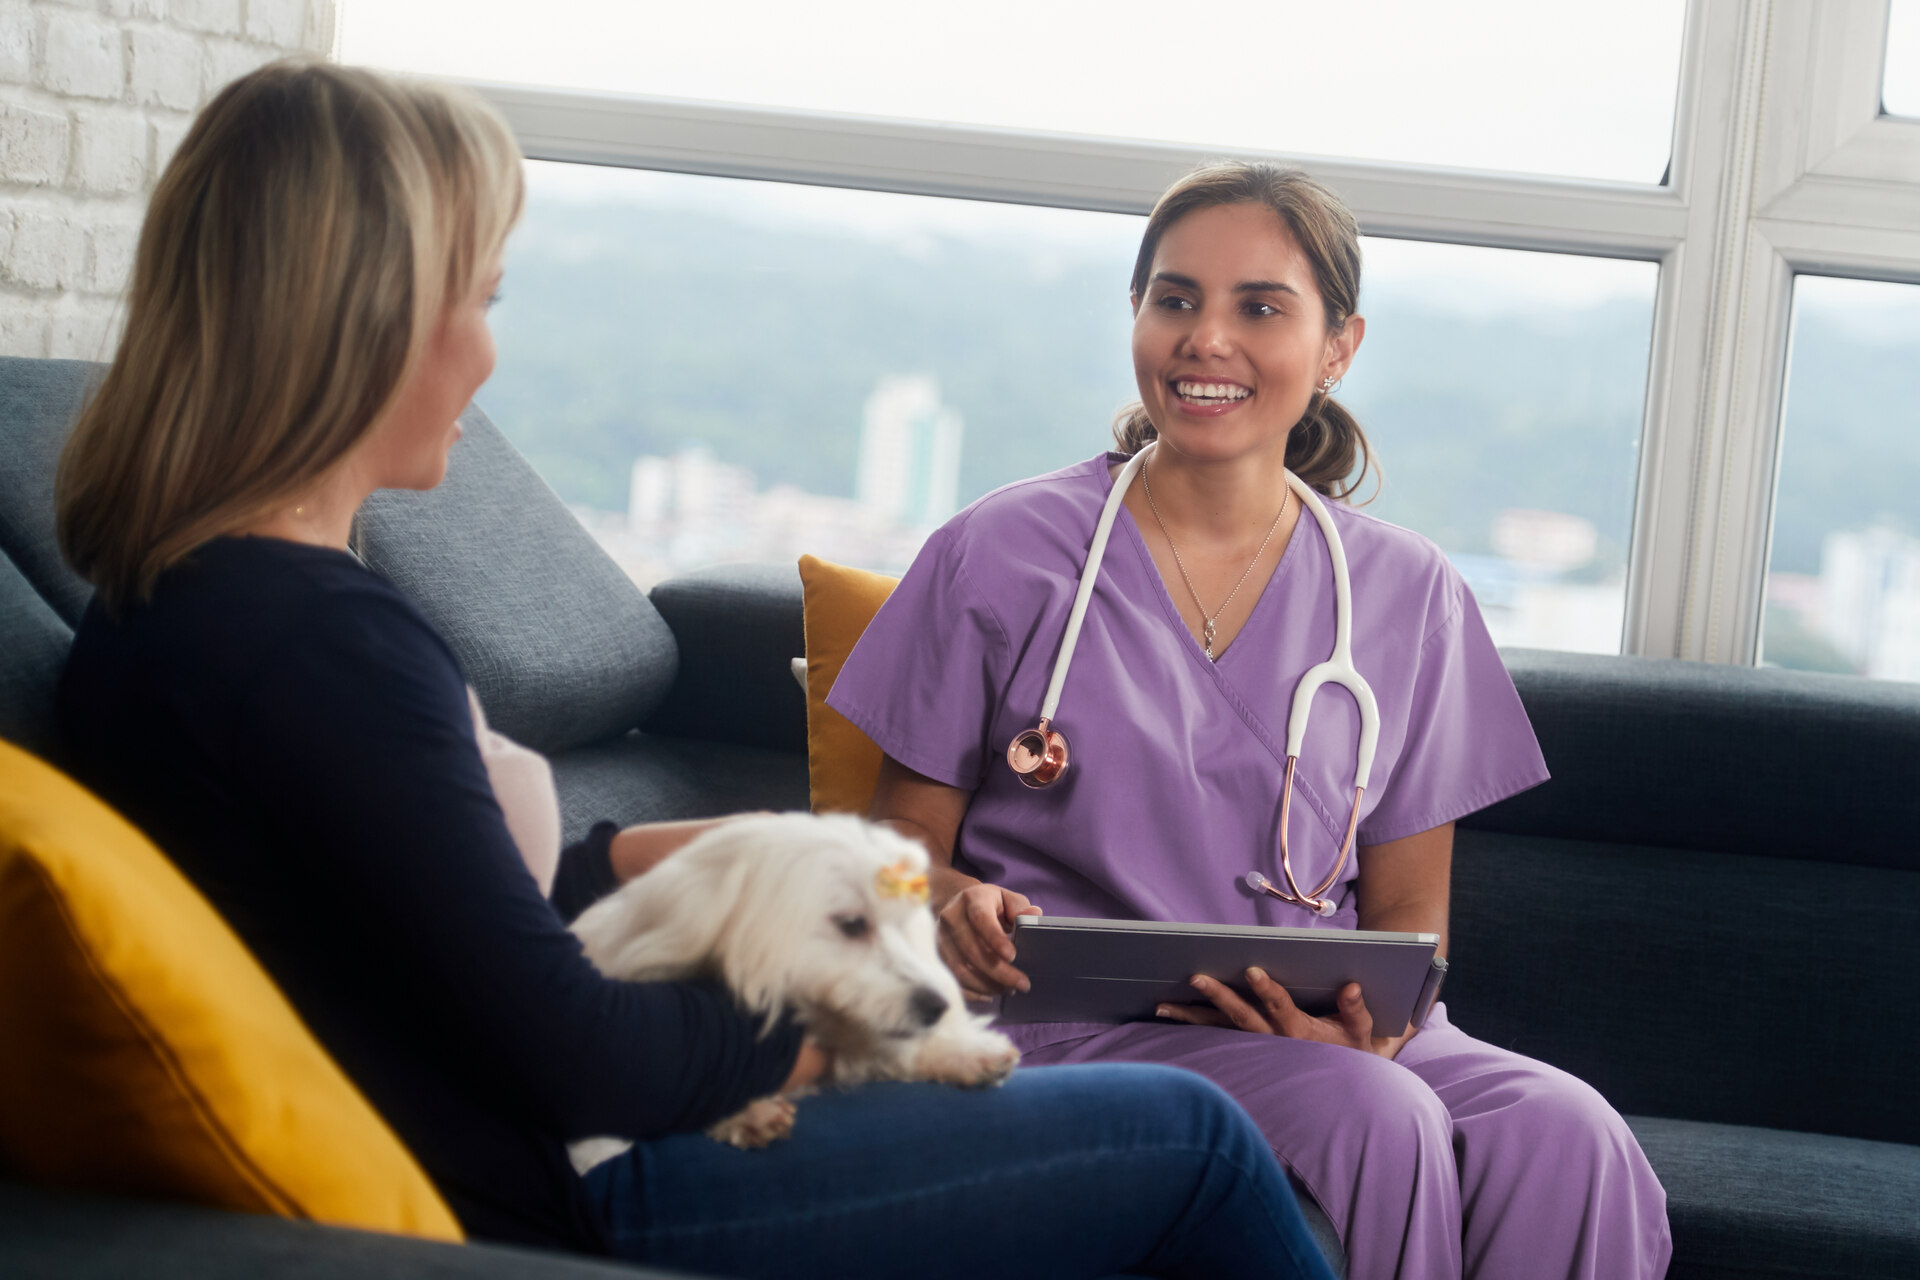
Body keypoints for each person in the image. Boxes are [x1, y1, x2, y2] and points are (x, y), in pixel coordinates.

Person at [50, 64, 1335, 1280]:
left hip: (533, 1148)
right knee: (1193, 1138)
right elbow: (580, 1056)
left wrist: (703, 851)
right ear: (363, 321)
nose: (489, 357)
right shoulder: (318, 647)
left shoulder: (182, 607)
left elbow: (409, 897)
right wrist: (844, 1021)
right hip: (560, 1196)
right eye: (480, 301)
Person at [828, 162, 1673, 1280]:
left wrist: (1366, 1030)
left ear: (1338, 348)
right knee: (1374, 1114)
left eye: (1259, 307)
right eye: (1174, 299)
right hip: (1055, 1027)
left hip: (1321, 1027)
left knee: (1570, 1135)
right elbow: (899, 855)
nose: (1205, 338)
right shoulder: (1002, 552)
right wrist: (952, 900)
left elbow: (1414, 917)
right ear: (1136, 316)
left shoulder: (1409, 593)